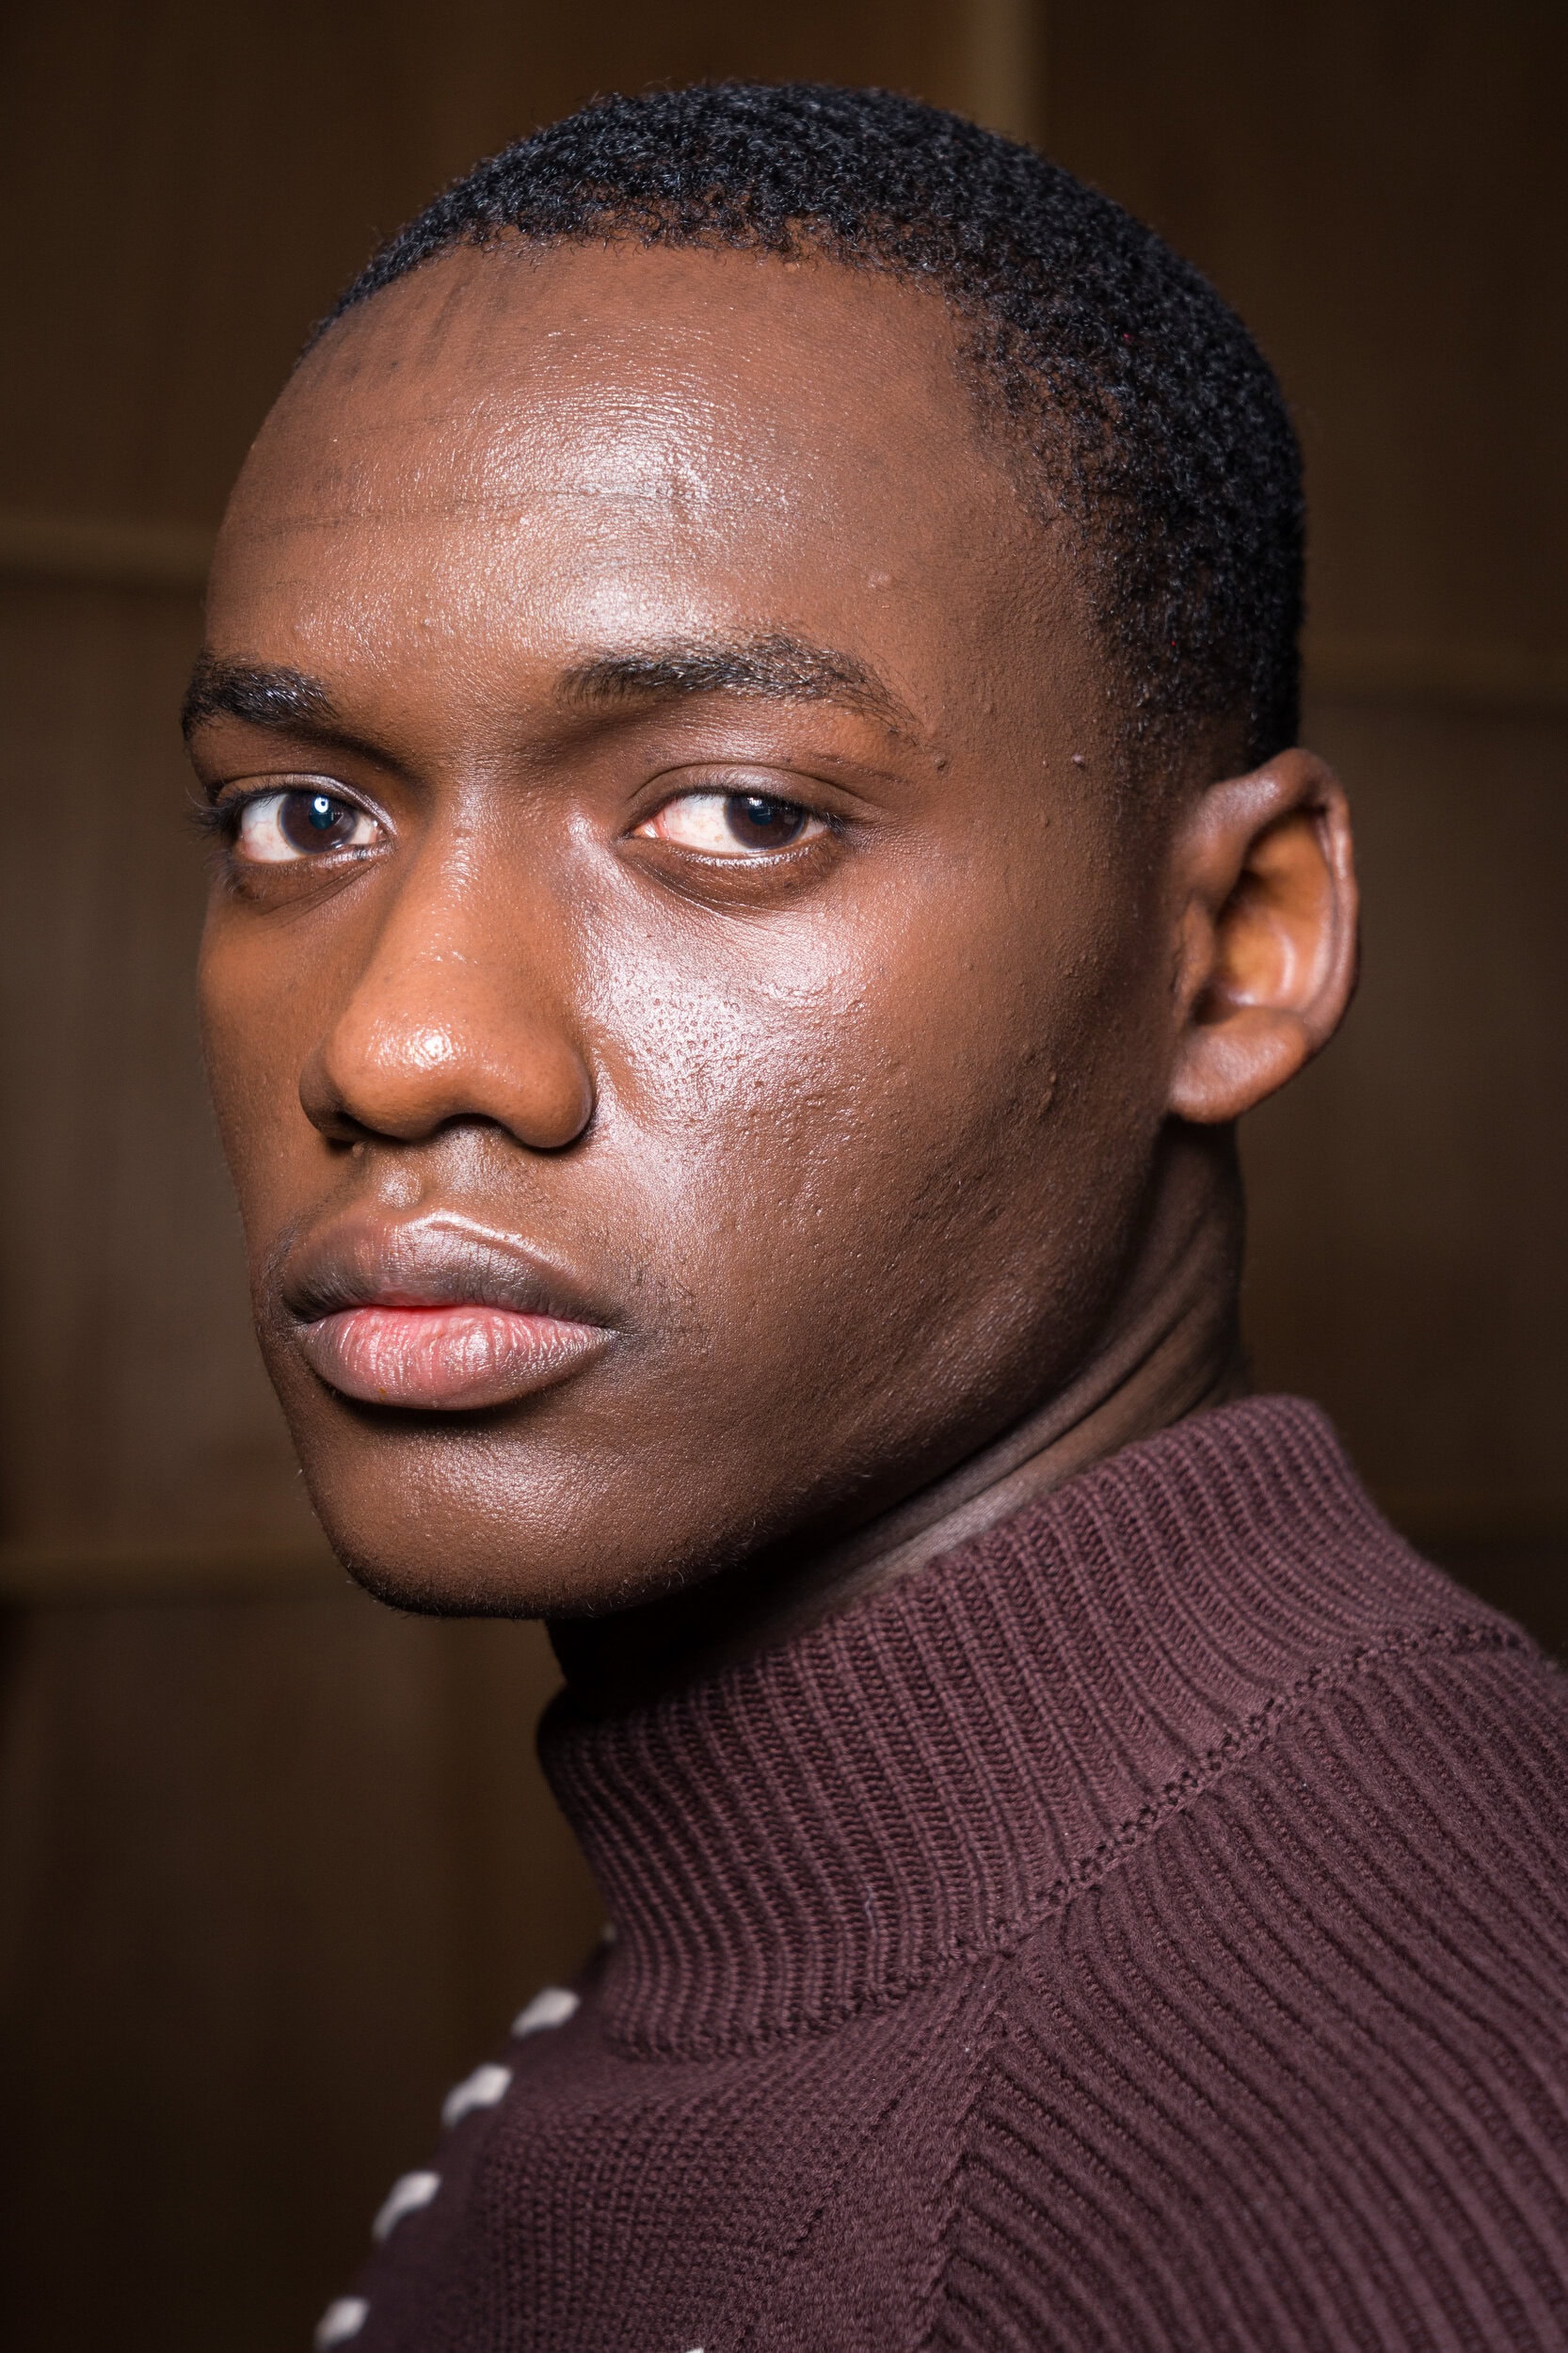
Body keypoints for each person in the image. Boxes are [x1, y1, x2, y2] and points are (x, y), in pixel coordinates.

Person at [185, 82, 1568, 2353]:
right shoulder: (853, 1932)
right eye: (301, 815)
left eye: (737, 813)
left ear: (1234, 946)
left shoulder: (1412, 2142)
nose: (403, 1042)